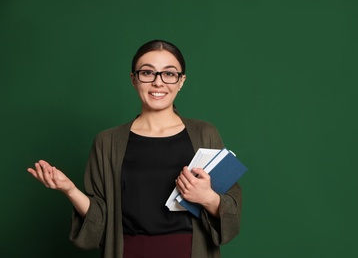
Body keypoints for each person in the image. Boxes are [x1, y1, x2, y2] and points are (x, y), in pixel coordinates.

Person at [27, 40, 242, 258]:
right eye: (147, 72)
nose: (158, 83)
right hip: (128, 251)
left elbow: (231, 206)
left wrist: (207, 197)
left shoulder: (204, 134)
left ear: (181, 81)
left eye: (169, 74)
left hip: (189, 251)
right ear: (133, 79)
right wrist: (69, 189)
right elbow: (100, 217)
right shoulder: (107, 141)